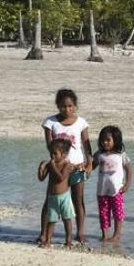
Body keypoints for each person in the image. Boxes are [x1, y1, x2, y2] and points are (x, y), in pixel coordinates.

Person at [43, 89, 92, 243]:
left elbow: (86, 145)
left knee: (78, 199)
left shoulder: (81, 122)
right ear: (58, 106)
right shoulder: (50, 123)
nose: (67, 109)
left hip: (77, 167)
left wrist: (89, 164)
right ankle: (44, 234)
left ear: (75, 106)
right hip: (58, 168)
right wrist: (55, 164)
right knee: (50, 199)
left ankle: (80, 233)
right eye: (63, 106)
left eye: (70, 106)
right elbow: (49, 146)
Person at [92, 125, 132, 243]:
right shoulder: (99, 154)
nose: (105, 142)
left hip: (117, 190)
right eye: (103, 140)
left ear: (116, 140)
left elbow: (129, 169)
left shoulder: (121, 154)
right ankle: (105, 235)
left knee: (117, 213)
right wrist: (87, 164)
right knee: (103, 213)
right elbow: (92, 167)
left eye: (108, 140)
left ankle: (116, 235)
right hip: (102, 190)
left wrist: (127, 185)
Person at [37, 138, 77, 248]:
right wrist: (41, 168)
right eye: (51, 153)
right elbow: (41, 178)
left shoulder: (67, 165)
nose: (52, 156)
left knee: (66, 219)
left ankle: (68, 240)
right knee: (51, 220)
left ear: (64, 154)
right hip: (52, 197)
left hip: (64, 196)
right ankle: (48, 241)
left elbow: (61, 178)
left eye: (55, 153)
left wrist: (52, 166)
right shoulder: (51, 164)